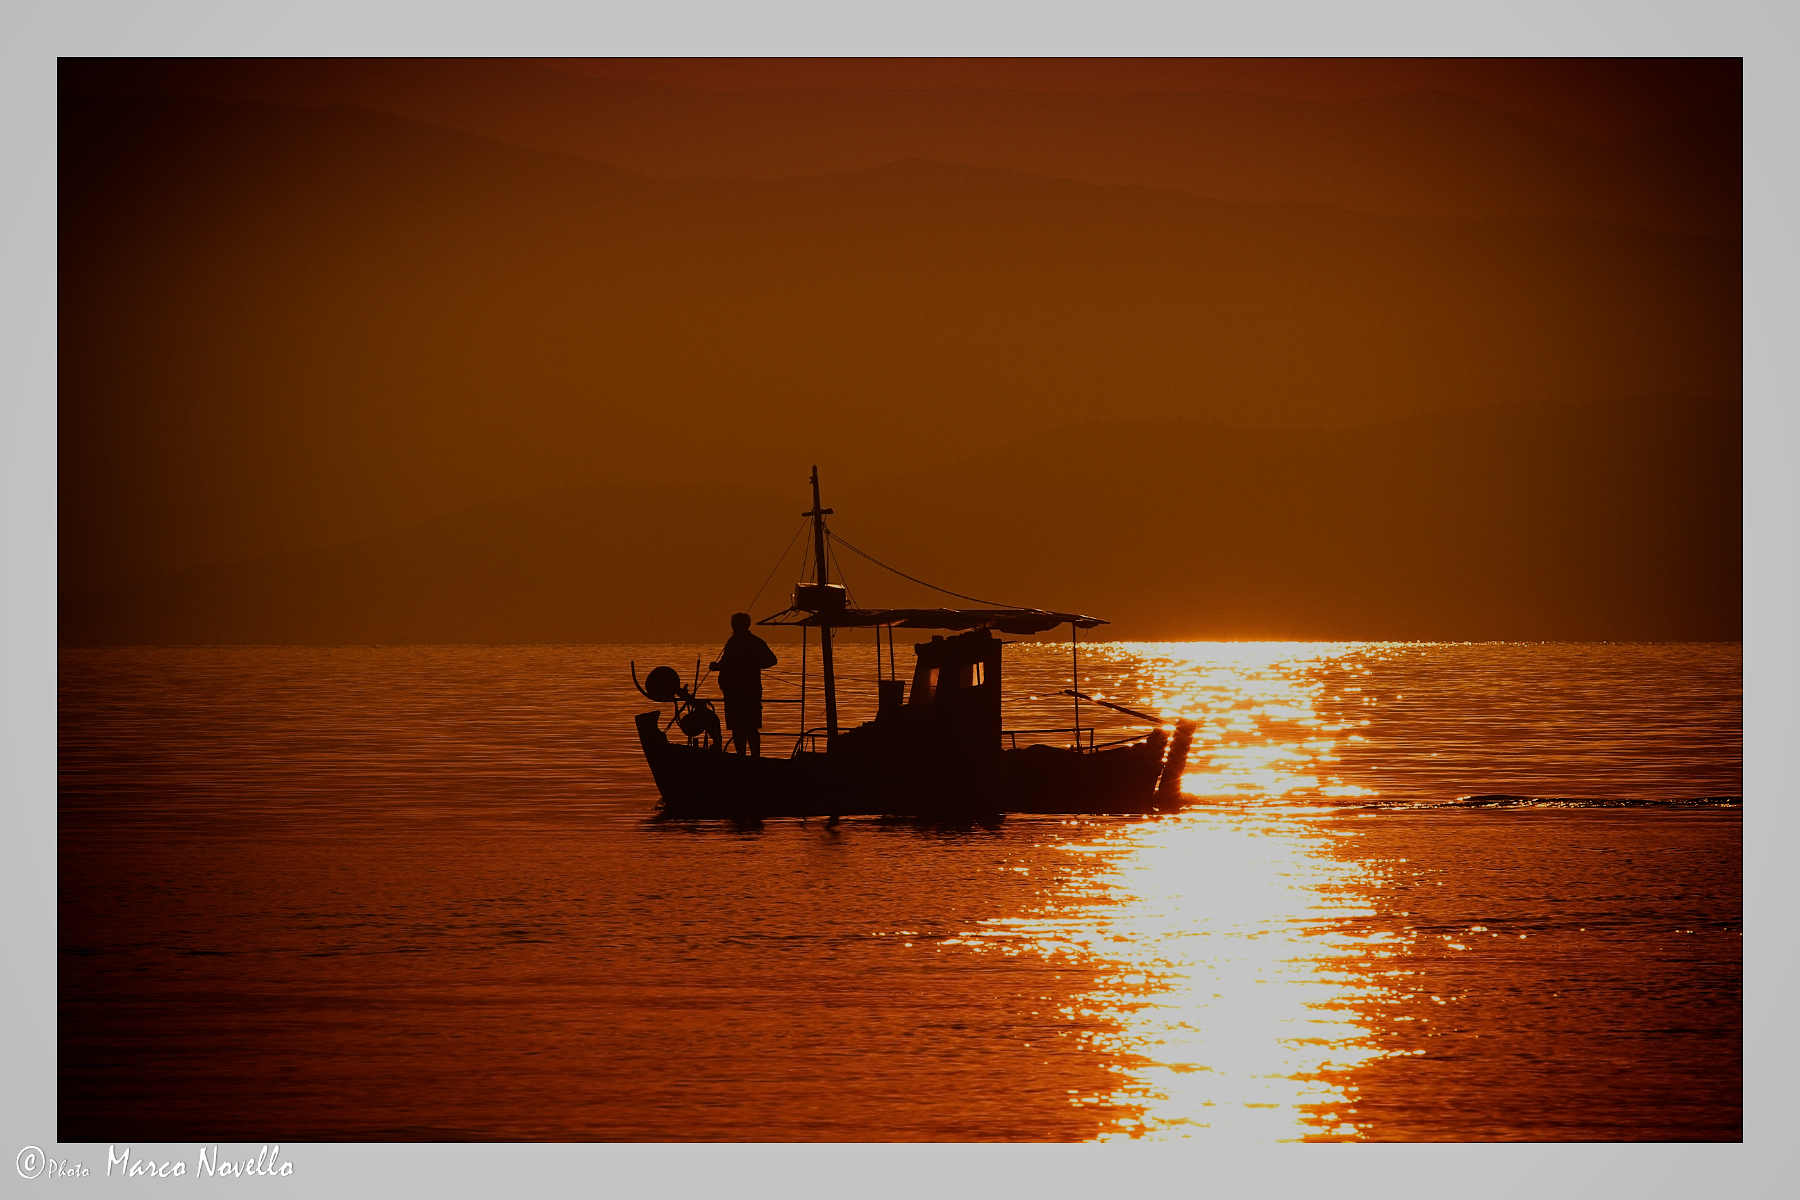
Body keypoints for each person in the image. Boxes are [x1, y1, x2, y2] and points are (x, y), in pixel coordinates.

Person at [710, 612, 778, 756]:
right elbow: (727, 662)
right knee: (737, 727)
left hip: (749, 692)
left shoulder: (754, 642)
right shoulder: (732, 642)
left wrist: (752, 665)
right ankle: (741, 756)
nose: (734, 627)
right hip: (732, 692)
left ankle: (755, 757)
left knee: (750, 727)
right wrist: (717, 666)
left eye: (736, 624)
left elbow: (771, 660)